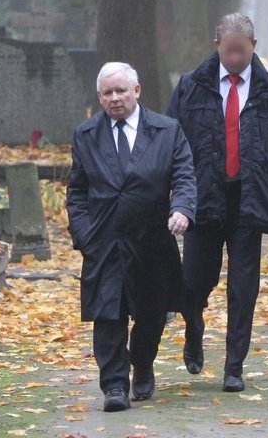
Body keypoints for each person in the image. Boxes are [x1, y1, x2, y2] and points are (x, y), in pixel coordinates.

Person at [167, 12, 268, 393]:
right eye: (229, 52)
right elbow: (168, 145)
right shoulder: (191, 87)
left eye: (242, 52)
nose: (236, 59)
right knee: (193, 283)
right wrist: (166, 197)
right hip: (203, 199)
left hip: (250, 200)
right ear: (216, 46)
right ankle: (194, 328)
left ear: (254, 47)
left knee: (243, 288)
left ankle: (233, 366)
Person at [67, 62, 196, 412]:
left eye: (121, 90)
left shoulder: (167, 130)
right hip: (104, 239)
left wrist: (182, 209)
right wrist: (82, 233)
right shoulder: (86, 134)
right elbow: (77, 191)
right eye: (107, 93)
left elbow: (184, 174)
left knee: (152, 314)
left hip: (152, 238)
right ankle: (113, 386)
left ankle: (142, 365)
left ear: (136, 91)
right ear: (99, 97)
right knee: (108, 314)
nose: (115, 98)